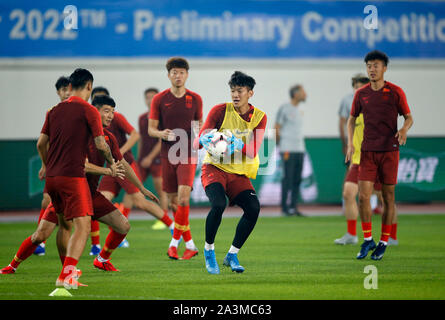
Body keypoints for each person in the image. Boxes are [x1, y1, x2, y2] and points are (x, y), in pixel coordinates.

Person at [0, 95, 158, 276]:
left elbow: (122, 164)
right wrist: (107, 171)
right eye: (107, 111)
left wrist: (141, 188)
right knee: (41, 235)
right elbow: (81, 165)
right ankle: (12, 266)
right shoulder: (79, 134)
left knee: (123, 226)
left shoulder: (108, 137)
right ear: (94, 111)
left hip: (90, 193)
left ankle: (102, 259)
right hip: (71, 191)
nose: (111, 116)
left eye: (113, 112)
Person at [36, 68, 117, 288]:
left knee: (65, 227)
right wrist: (111, 163)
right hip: (72, 176)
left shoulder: (53, 111)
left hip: (52, 179)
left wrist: (46, 164)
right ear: (89, 86)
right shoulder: (89, 110)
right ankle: (67, 277)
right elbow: (101, 144)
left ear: (69, 87)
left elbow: (40, 144)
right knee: (83, 226)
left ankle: (66, 271)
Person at [346, 50, 413, 260]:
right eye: (369, 66)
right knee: (363, 197)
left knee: (388, 197)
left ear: (384, 68)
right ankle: (368, 239)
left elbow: (409, 117)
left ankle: (384, 241)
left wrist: (403, 130)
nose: (372, 69)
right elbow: (351, 119)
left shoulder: (396, 92)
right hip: (367, 151)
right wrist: (350, 144)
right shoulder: (361, 94)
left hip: (390, 151)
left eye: (376, 65)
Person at [198, 71, 267, 274]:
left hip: (238, 173)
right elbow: (200, 137)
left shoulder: (260, 117)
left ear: (250, 93)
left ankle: (232, 255)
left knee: (253, 208)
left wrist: (235, 143)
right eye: (232, 90)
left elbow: (254, 151)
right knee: (219, 204)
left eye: (240, 91)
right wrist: (203, 139)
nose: (235, 94)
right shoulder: (220, 110)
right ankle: (209, 250)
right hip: (214, 168)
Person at [93, 89, 175, 245]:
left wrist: (119, 154)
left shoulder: (116, 118)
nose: (109, 113)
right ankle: (100, 244)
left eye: (110, 109)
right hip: (112, 168)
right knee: (100, 202)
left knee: (140, 200)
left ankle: (172, 226)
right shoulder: (92, 124)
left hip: (124, 164)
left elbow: (135, 135)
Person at [148, 57, 203, 260]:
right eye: (174, 72)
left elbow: (199, 125)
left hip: (188, 153)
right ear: (168, 75)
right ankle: (190, 245)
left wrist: (201, 141)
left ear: (187, 75)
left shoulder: (195, 98)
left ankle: (173, 244)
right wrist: (161, 134)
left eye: (181, 72)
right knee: (173, 203)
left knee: (183, 198)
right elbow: (150, 129)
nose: (178, 76)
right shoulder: (159, 99)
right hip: (168, 154)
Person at [34, 76, 72, 256]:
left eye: (68, 89)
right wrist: (45, 164)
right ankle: (41, 240)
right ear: (58, 92)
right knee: (47, 201)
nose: (66, 93)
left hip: (72, 167)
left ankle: (93, 244)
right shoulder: (52, 112)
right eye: (63, 90)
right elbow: (45, 142)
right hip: (57, 168)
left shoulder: (78, 110)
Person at [339, 74, 382, 215]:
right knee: (349, 190)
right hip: (357, 156)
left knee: (383, 195)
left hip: (374, 156)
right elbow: (344, 123)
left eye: (360, 87)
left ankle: (391, 234)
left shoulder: (377, 104)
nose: (357, 90)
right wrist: (347, 144)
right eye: (355, 87)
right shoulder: (349, 103)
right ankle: (348, 212)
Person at [136, 87, 170, 231]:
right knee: (134, 189)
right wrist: (139, 158)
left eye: (153, 97)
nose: (150, 100)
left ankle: (164, 220)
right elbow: (141, 139)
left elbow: (162, 140)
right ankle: (122, 218)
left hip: (158, 159)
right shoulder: (142, 118)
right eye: (147, 97)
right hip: (143, 161)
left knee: (161, 191)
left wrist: (150, 157)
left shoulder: (162, 117)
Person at [274, 85, 307, 216]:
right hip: (287, 148)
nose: (306, 94)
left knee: (297, 179)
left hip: (300, 149)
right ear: (295, 94)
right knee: (287, 178)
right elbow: (277, 127)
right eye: (303, 92)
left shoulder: (301, 109)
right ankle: (284, 208)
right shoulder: (285, 108)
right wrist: (279, 145)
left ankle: (293, 207)